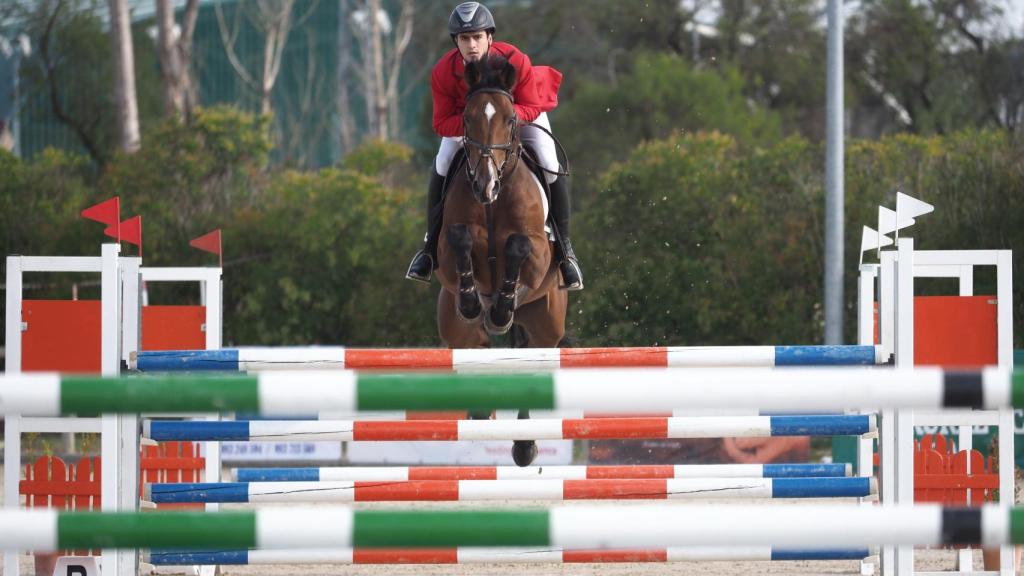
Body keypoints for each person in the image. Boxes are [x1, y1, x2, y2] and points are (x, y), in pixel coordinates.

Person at [405, 1, 583, 290]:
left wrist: (505, 122)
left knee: (550, 164)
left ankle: (565, 252)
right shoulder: (442, 72)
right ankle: (427, 249)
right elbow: (441, 123)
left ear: (490, 38)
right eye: (465, 39)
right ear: (456, 42)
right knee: (441, 164)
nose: (472, 45)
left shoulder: (515, 60)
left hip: (518, 120)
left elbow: (532, 105)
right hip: (471, 128)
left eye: (477, 37)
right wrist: (476, 128)